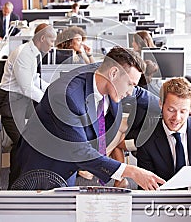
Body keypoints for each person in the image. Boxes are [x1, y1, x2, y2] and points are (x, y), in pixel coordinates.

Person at [14, 46, 166, 190]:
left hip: (67, 168)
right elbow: (80, 151)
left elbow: (138, 93)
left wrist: (169, 106)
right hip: (40, 169)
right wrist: (132, 171)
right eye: (130, 84)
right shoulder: (67, 97)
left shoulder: (105, 72)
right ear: (113, 74)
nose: (130, 91)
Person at [0, 23, 57, 187]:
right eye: (52, 41)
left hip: (20, 100)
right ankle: (15, 185)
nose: (53, 45)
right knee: (22, 144)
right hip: (10, 101)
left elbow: (34, 79)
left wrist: (51, 90)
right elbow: (26, 87)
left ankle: (24, 181)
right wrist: (46, 101)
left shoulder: (32, 53)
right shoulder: (24, 54)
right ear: (42, 38)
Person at [136, 77, 191, 182]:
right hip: (165, 196)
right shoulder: (146, 138)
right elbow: (146, 188)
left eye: (183, 111)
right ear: (161, 104)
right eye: (171, 110)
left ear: (190, 108)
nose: (177, 118)